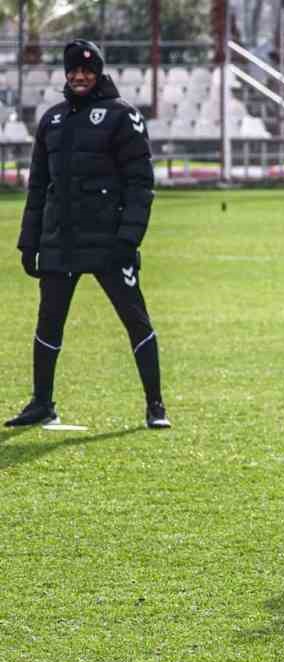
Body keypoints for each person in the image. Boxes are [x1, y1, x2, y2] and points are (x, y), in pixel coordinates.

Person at [11, 39, 167, 430]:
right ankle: (42, 403)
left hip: (108, 243)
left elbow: (140, 184)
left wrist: (127, 240)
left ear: (98, 72)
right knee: (48, 322)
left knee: (136, 320)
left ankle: (155, 406)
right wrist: (29, 242)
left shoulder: (122, 117)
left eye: (87, 70)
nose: (80, 76)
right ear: (66, 74)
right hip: (59, 242)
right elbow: (37, 188)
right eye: (73, 70)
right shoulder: (52, 120)